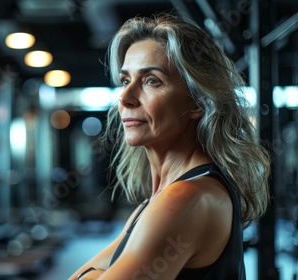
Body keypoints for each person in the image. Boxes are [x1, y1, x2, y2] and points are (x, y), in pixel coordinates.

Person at [69, 12, 270, 280]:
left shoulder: (184, 199)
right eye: (126, 80)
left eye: (152, 81)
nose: (125, 98)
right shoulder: (159, 200)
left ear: (198, 102)